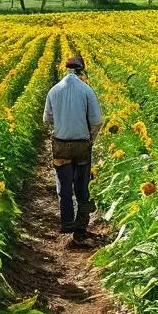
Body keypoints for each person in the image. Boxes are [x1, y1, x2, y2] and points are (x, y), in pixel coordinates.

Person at [43, 54, 103, 244]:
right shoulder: (86, 90)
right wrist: (90, 139)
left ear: (66, 70)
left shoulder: (54, 90)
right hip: (81, 145)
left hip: (60, 145)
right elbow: (97, 121)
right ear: (80, 71)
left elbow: (47, 119)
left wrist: (59, 126)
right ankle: (80, 228)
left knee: (64, 185)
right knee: (81, 185)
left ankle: (67, 222)